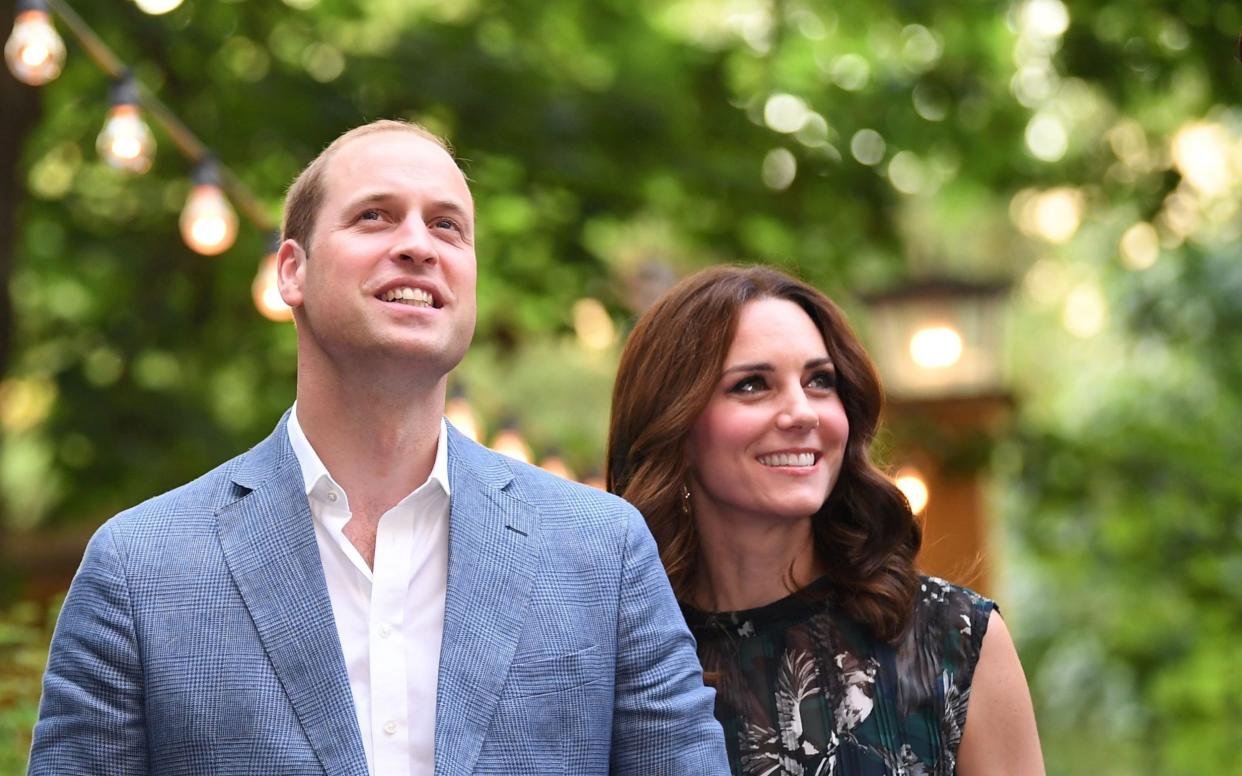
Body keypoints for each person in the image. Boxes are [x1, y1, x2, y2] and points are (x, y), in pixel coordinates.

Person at [29, 120, 729, 776]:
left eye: (447, 226)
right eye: (375, 216)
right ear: (291, 272)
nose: (419, 245)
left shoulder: (602, 550)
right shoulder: (138, 569)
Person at [606, 265, 1044, 775]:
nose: (802, 412)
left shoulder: (955, 640)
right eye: (751, 385)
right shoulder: (618, 654)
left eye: (820, 382)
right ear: (674, 424)